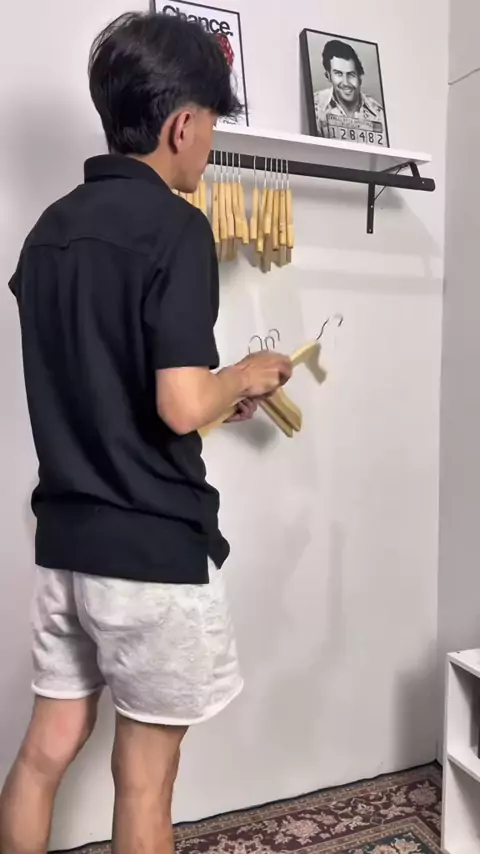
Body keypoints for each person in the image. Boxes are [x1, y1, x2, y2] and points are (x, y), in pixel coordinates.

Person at [0, 12, 292, 854]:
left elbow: (101, 383)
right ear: (181, 124)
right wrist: (243, 376)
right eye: (213, 127)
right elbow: (176, 404)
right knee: (145, 780)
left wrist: (213, 397)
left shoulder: (47, 232)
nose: (209, 148)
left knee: (43, 754)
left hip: (67, 546)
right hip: (150, 556)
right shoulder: (176, 227)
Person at [314, 39, 387, 146]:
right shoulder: (315, 108)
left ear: (359, 78)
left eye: (351, 74)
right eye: (338, 73)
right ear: (328, 76)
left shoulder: (379, 114)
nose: (346, 83)